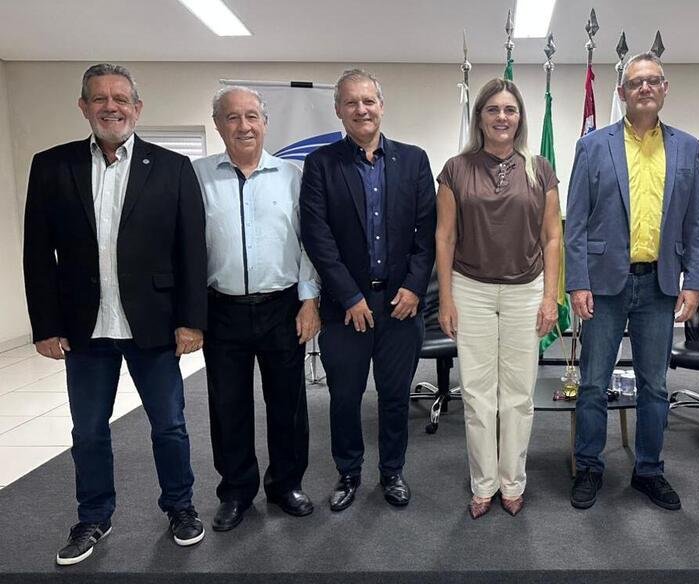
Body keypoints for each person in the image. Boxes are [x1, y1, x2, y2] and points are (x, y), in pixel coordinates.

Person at [22, 63, 207, 565]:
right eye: (99, 98)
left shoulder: (172, 167)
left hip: (152, 322)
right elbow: (36, 253)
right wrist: (46, 326)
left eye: (121, 98)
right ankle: (94, 517)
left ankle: (181, 507)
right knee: (88, 430)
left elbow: (191, 250)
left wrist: (192, 320)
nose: (111, 107)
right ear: (83, 106)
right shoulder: (51, 166)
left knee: (169, 424)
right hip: (85, 327)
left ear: (137, 108)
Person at [565, 52, 699, 511]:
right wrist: (577, 281)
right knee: (593, 382)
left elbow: (694, 225)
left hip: (660, 284)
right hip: (605, 283)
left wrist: (695, 282)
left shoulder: (687, 147)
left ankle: (649, 470)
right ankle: (588, 466)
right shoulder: (593, 146)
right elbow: (577, 223)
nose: (645, 88)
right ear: (622, 93)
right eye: (635, 82)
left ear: (665, 89)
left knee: (654, 385)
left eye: (653, 81)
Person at [300, 69, 436, 512]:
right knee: (345, 396)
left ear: (382, 105)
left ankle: (392, 472)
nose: (362, 110)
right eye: (352, 103)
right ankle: (349, 472)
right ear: (339, 110)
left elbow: (426, 232)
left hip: (401, 304)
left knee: (395, 395)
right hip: (346, 307)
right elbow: (317, 236)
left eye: (369, 101)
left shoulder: (414, 160)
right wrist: (351, 296)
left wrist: (416, 288)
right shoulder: (322, 164)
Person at [192, 86, 321, 531]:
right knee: (228, 407)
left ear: (265, 123)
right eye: (232, 117)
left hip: (281, 308)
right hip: (221, 309)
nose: (243, 126)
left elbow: (309, 244)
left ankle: (286, 485)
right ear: (218, 125)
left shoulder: (292, 176)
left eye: (252, 116)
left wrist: (309, 300)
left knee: (288, 404)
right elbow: (186, 251)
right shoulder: (197, 177)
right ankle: (236, 492)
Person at [435, 79, 562, 519]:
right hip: (470, 288)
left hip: (527, 290)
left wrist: (551, 298)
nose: (502, 117)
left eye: (510, 110)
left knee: (518, 395)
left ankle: (513, 481)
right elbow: (445, 236)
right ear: (480, 117)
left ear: (520, 117)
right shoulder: (455, 168)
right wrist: (446, 299)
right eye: (493, 110)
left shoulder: (540, 169)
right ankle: (483, 483)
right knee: (477, 393)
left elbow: (552, 237)